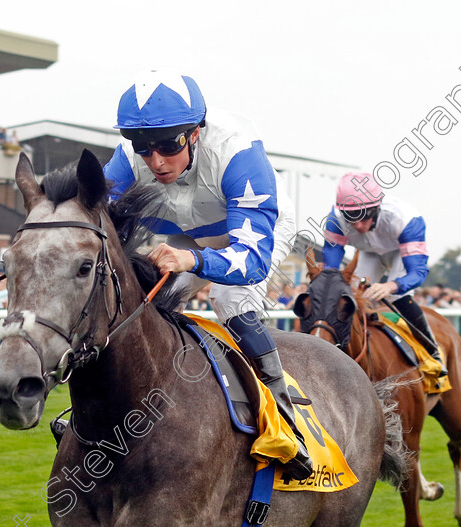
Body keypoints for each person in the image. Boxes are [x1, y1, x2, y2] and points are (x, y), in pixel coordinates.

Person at [102, 70, 310, 479]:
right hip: (185, 230)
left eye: (167, 144)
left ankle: (286, 420)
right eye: (142, 146)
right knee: (142, 299)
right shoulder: (129, 162)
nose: (155, 160)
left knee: (228, 300)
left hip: (252, 235)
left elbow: (249, 260)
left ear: (195, 132)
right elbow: (90, 216)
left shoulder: (237, 152)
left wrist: (192, 261)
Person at [322, 172, 448, 377]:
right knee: (348, 296)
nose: (358, 225)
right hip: (368, 254)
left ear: (377, 207)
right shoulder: (334, 219)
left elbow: (418, 271)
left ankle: (432, 351)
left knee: (396, 296)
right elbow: (331, 269)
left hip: (400, 252)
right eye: (351, 217)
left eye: (364, 216)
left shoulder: (406, 219)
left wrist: (391, 285)